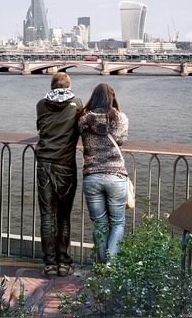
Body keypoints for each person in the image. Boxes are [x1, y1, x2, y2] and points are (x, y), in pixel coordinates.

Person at [35, 72, 83, 278]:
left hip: (44, 163)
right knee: (63, 216)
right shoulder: (77, 103)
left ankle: (49, 264)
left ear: (52, 85)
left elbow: (40, 128)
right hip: (66, 164)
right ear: (69, 86)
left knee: (47, 216)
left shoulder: (41, 104)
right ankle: (64, 263)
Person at [78, 83, 129, 266]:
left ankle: (100, 264)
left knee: (99, 223)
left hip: (91, 175)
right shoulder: (120, 117)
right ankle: (111, 263)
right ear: (112, 97)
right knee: (117, 223)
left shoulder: (83, 119)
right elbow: (121, 141)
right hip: (116, 174)